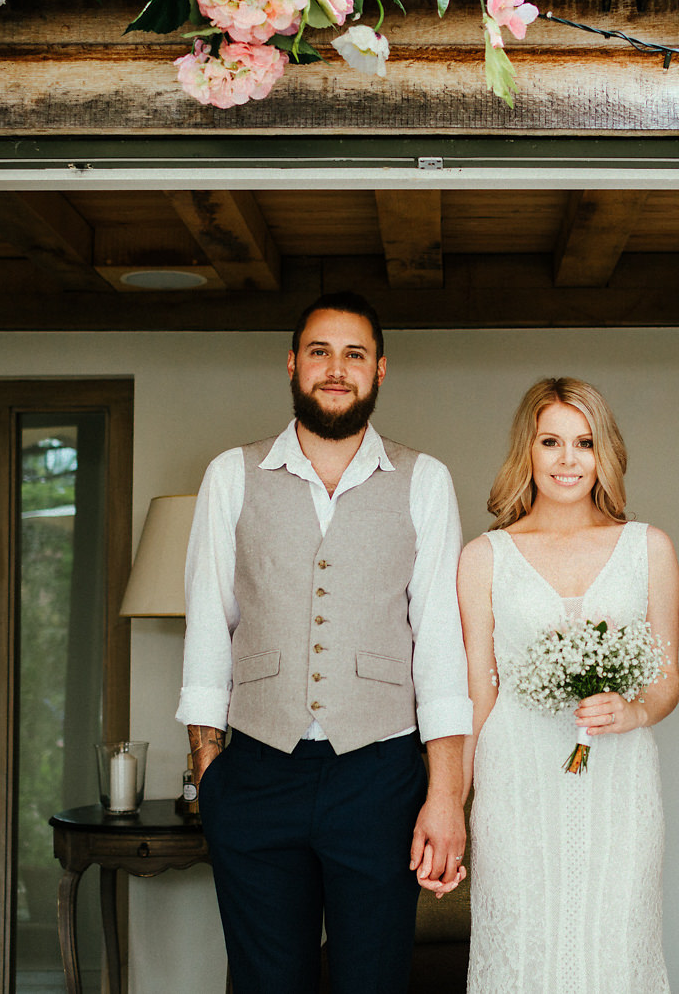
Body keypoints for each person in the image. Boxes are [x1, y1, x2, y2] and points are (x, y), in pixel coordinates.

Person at [178, 292, 472, 994]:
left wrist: (445, 795)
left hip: (380, 774)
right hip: (254, 770)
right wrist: (208, 763)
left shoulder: (425, 481)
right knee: (263, 982)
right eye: (320, 351)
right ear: (291, 364)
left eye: (354, 354)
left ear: (380, 370)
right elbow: (207, 623)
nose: (336, 369)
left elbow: (439, 646)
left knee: (372, 980)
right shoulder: (231, 474)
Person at [458, 376, 679, 994]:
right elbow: (480, 690)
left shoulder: (649, 548)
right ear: (526, 452)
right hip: (518, 783)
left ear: (603, 453)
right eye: (550, 441)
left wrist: (632, 713)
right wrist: (451, 800)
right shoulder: (485, 556)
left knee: (616, 946)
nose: (567, 459)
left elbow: (667, 679)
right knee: (523, 949)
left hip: (619, 782)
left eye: (583, 443)